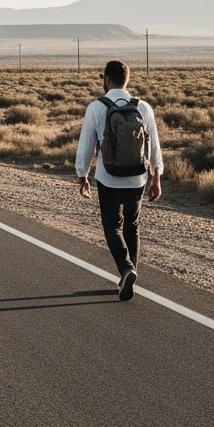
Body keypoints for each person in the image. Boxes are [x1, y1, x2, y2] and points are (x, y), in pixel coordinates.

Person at [76, 60, 163, 301]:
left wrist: (82, 175)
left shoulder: (96, 107)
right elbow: (153, 144)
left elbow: (87, 145)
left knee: (112, 226)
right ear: (127, 79)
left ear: (106, 79)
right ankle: (130, 275)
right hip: (138, 177)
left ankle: (126, 269)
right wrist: (157, 177)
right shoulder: (143, 107)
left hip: (108, 176)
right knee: (132, 226)